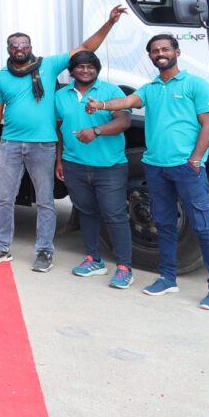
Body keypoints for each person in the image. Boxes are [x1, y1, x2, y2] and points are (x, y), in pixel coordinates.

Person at [87, 35, 209, 309]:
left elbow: (208, 125)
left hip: (187, 168)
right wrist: (101, 105)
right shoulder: (150, 88)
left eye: (165, 49)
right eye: (155, 51)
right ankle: (167, 277)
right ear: (150, 57)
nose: (160, 54)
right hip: (155, 166)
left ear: (177, 51)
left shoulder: (194, 84)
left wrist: (196, 159)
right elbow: (127, 102)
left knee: (203, 227)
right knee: (163, 223)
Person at [0, 6, 127, 270]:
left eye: (24, 45)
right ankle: (2, 247)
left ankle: (44, 251)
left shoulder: (48, 65)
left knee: (45, 200)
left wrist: (109, 23)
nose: (19, 49)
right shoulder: (1, 77)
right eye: (14, 45)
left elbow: (85, 48)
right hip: (10, 144)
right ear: (8, 49)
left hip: (43, 145)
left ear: (30, 47)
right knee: (4, 198)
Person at [55, 51, 135, 289]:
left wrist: (96, 131)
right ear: (72, 70)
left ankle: (124, 267)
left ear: (97, 69)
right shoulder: (61, 95)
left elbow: (124, 122)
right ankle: (93, 259)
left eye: (90, 66)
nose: (85, 70)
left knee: (114, 214)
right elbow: (60, 129)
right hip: (74, 164)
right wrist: (59, 161)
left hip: (109, 166)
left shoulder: (111, 92)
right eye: (80, 66)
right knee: (86, 212)